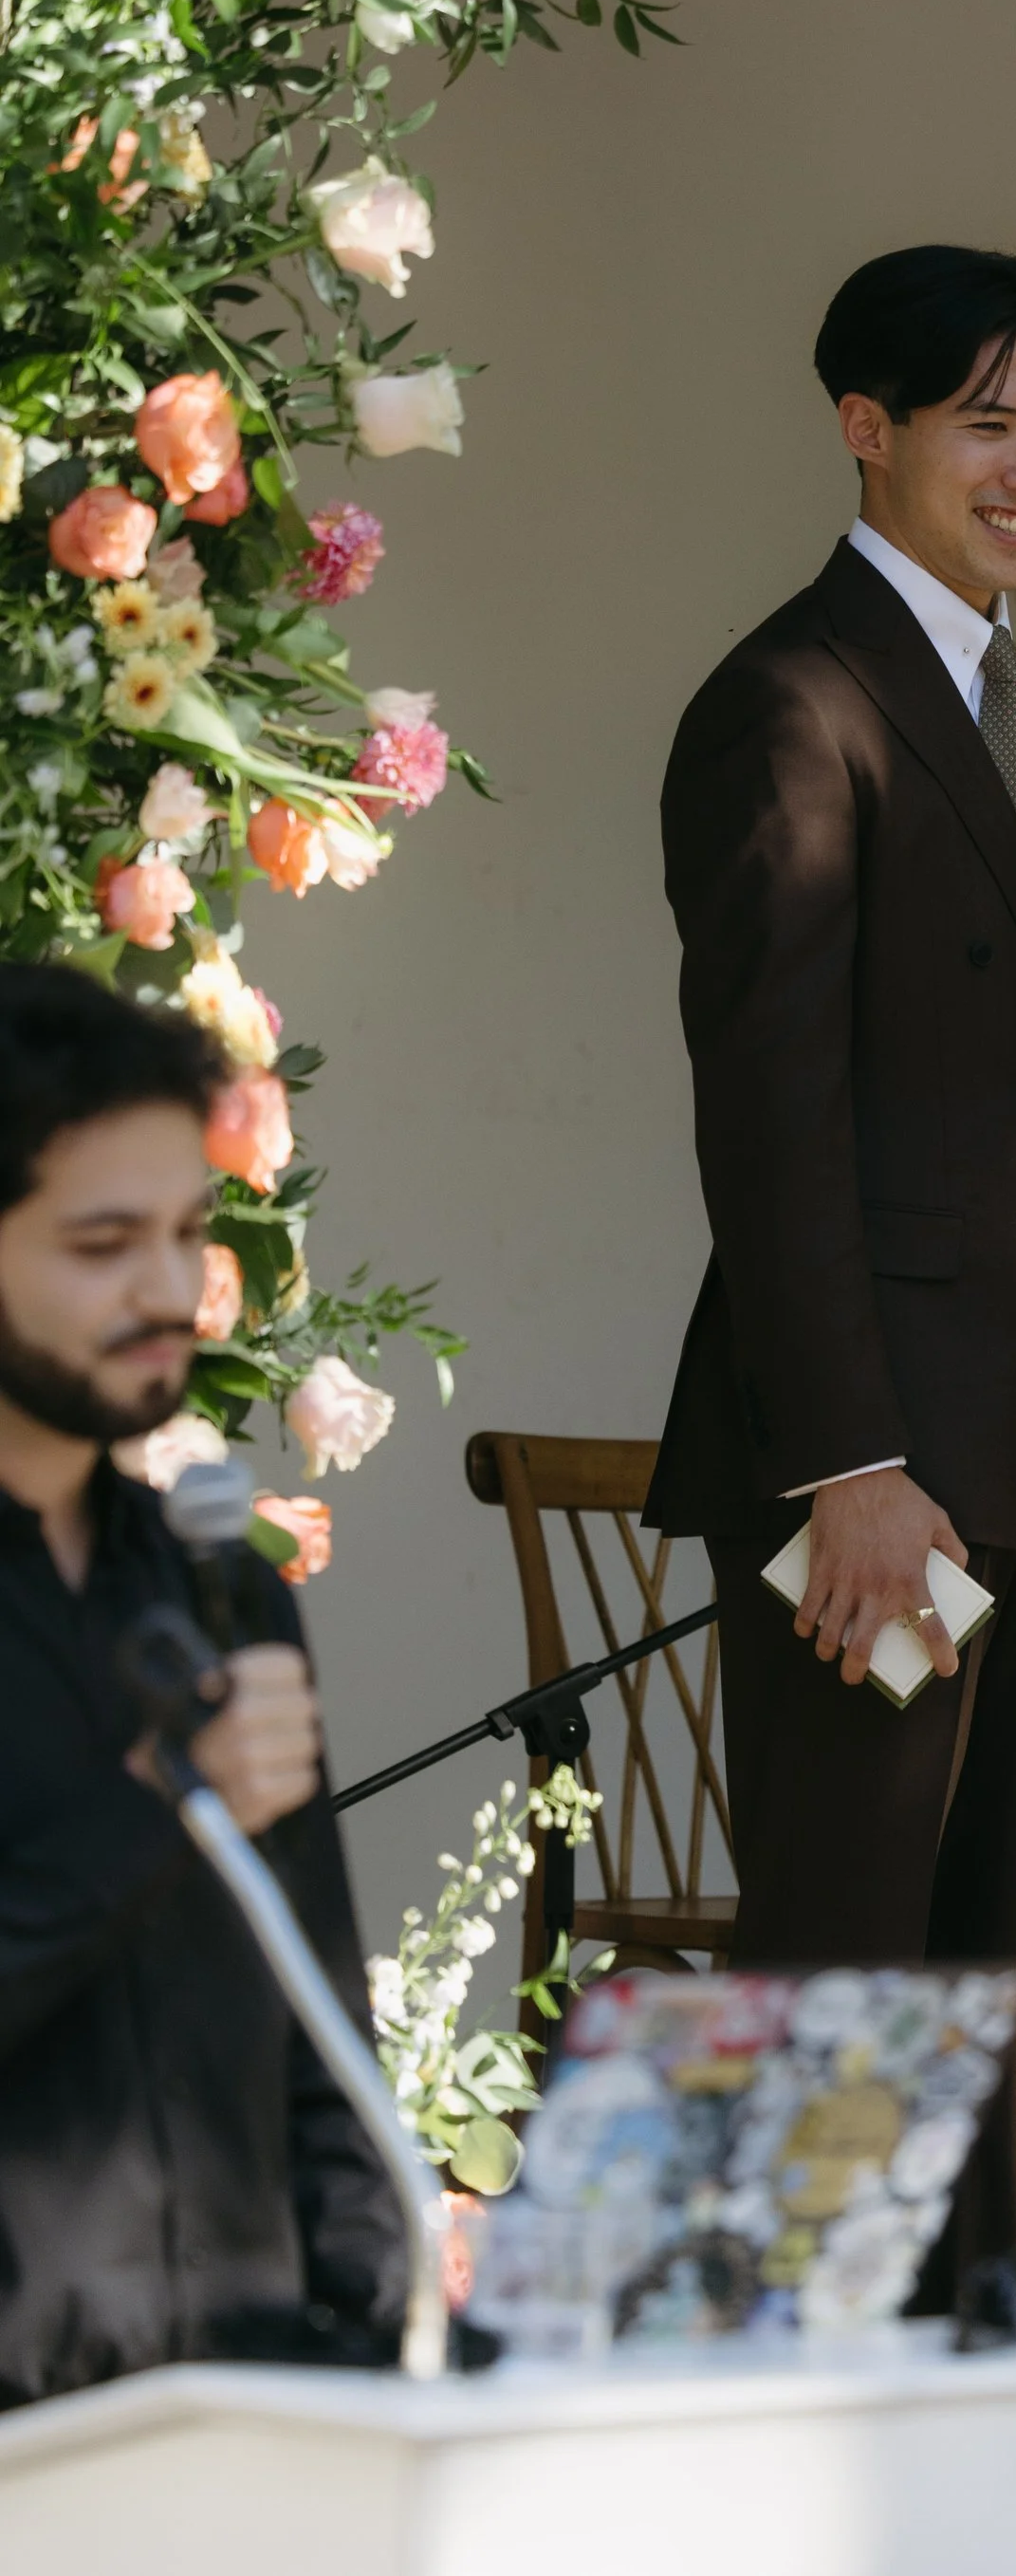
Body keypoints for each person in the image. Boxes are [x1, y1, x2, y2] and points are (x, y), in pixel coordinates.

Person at [646, 242, 1016, 2276]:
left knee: (991, 1976)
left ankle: (958, 2416)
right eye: (986, 422)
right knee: (844, 1966)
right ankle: (758, 2420)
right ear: (865, 429)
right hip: (870, 1476)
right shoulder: (787, 702)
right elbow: (767, 1124)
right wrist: (844, 1467)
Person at [0, 962, 401, 2405]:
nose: (172, 1290)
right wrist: (161, 1810)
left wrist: (370, 2337)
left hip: (250, 2405)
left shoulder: (215, 1583)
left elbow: (319, 2022)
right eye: (105, 1244)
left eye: (186, 1232)